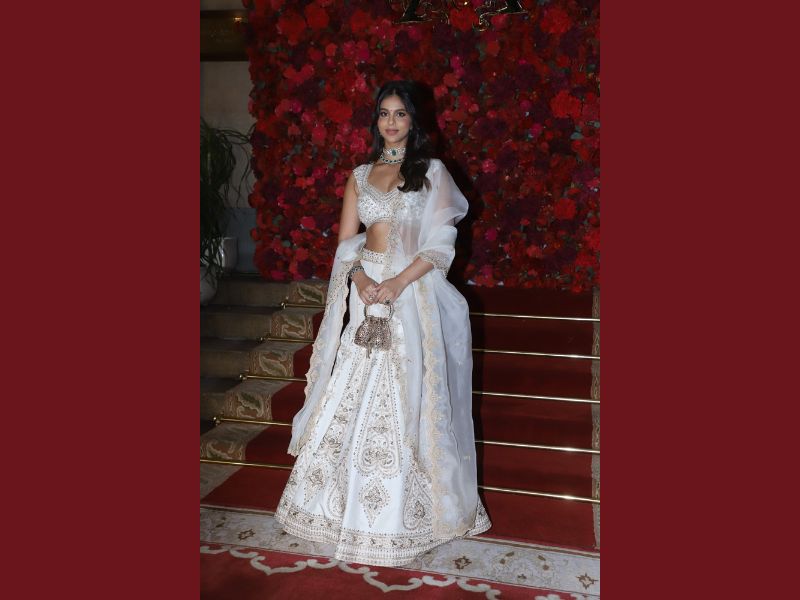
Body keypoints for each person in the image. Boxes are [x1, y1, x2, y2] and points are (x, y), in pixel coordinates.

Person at [274, 80, 491, 567]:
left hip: (410, 293)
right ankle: (332, 507)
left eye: (400, 114)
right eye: (384, 114)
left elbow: (441, 245)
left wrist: (396, 283)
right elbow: (345, 244)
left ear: (414, 121)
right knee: (351, 385)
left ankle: (402, 517)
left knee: (403, 388)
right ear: (376, 121)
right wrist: (361, 280)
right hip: (365, 288)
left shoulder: (431, 172)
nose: (391, 122)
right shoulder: (358, 175)